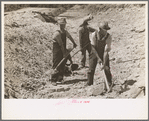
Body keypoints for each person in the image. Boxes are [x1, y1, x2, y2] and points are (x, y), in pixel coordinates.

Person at [51, 18, 77, 86]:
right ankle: (53, 79)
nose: (64, 26)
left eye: (64, 24)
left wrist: (74, 43)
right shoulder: (57, 33)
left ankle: (60, 78)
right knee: (57, 64)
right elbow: (61, 44)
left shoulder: (64, 32)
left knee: (63, 63)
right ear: (60, 25)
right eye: (63, 24)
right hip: (57, 51)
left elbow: (69, 36)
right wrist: (64, 53)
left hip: (62, 49)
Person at [87, 21, 112, 87]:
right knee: (91, 69)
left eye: (106, 30)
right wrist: (98, 58)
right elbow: (93, 48)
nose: (105, 31)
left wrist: (103, 62)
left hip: (103, 52)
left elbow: (106, 51)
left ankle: (109, 84)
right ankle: (90, 84)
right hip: (94, 52)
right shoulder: (94, 35)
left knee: (106, 68)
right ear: (100, 29)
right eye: (104, 30)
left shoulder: (108, 37)